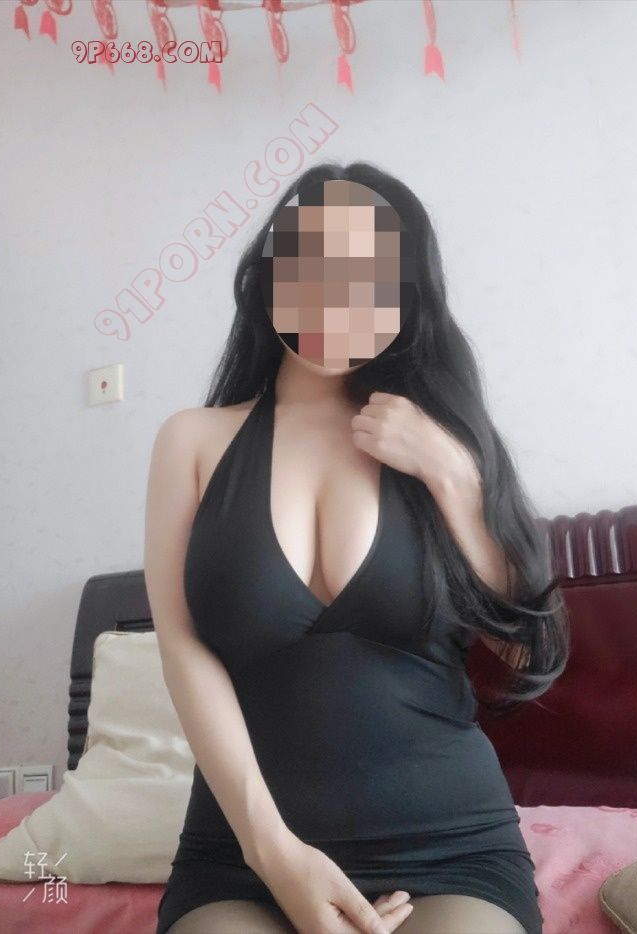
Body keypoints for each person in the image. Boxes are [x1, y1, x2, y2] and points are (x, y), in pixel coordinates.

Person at [145, 163, 568, 934]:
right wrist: (275, 853)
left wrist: (455, 479)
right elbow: (183, 649)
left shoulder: (449, 445)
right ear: (269, 276)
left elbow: (523, 653)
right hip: (243, 856)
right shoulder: (192, 442)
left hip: (450, 847)